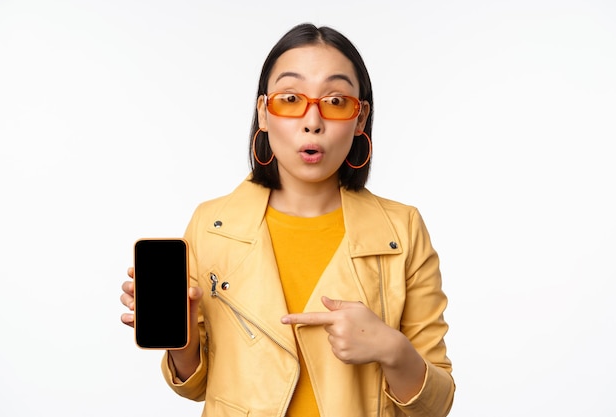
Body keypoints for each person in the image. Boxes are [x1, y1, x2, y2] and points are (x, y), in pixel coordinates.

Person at [120, 22, 455, 417]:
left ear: (360, 118)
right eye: (291, 98)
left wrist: (392, 349)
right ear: (263, 112)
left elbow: (437, 403)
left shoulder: (403, 229)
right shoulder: (212, 225)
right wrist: (183, 340)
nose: (312, 121)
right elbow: (196, 385)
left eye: (335, 101)